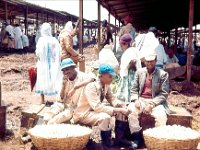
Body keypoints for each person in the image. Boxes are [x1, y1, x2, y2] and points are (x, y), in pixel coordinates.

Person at [72, 64, 129, 149]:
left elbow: (111, 98)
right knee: (104, 117)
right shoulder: (91, 86)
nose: (112, 78)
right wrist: (118, 109)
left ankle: (119, 141)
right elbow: (97, 107)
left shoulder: (106, 84)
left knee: (121, 113)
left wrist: (119, 104)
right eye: (110, 76)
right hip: (84, 114)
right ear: (101, 76)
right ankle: (106, 146)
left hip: (94, 112)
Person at [127, 52, 171, 148]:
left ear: (155, 61)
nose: (149, 64)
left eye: (152, 61)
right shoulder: (139, 72)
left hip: (156, 101)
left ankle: (157, 139)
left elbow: (164, 93)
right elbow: (133, 89)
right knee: (131, 112)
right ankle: (137, 138)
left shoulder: (163, 74)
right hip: (141, 100)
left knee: (161, 116)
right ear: (144, 62)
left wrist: (151, 105)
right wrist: (135, 100)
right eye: (147, 62)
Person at [43, 58, 95, 124]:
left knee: (53, 121)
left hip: (73, 107)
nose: (66, 72)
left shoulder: (82, 76)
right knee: (47, 117)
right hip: (62, 103)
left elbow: (93, 78)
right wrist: (63, 85)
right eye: (64, 71)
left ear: (74, 67)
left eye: (67, 69)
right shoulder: (65, 78)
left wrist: (76, 87)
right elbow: (61, 98)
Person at [35, 22, 62, 104]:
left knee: (42, 79)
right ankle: (59, 99)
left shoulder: (41, 40)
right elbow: (59, 52)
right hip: (54, 63)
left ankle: (42, 100)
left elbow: (38, 53)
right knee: (56, 79)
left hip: (43, 64)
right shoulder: (54, 40)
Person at [116, 33, 141, 103]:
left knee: (130, 91)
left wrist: (129, 66)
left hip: (130, 75)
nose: (121, 47)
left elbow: (133, 61)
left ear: (126, 44)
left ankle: (129, 104)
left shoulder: (130, 51)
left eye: (121, 45)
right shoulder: (133, 50)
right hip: (129, 74)